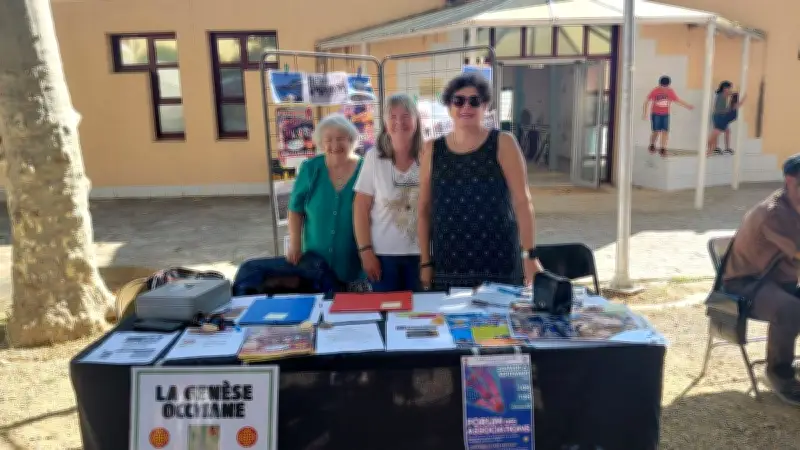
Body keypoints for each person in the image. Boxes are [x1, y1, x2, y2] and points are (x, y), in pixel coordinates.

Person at [417, 73, 543, 291]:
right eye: (458, 100)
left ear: (485, 106)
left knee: (500, 324)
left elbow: (523, 202)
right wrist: (425, 261)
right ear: (449, 106)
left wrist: (529, 255)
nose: (466, 106)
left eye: (474, 101)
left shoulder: (503, 143)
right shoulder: (432, 149)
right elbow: (424, 209)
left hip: (499, 261)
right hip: (449, 264)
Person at [723, 154, 800, 406]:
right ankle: (779, 374)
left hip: (776, 281)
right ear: (790, 181)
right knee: (790, 309)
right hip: (745, 285)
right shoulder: (775, 213)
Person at [353, 94, 423, 292]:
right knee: (386, 314)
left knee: (420, 315)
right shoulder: (374, 157)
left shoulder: (428, 155)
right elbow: (360, 207)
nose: (399, 122)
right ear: (385, 123)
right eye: (392, 116)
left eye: (406, 115)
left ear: (417, 120)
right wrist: (365, 251)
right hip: (382, 256)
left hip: (422, 255)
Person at [286, 113, 364, 288]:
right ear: (321, 143)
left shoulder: (365, 169)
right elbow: (295, 209)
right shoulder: (311, 169)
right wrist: (295, 243)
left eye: (341, 138)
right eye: (328, 140)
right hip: (315, 264)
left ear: (351, 140)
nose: (334, 145)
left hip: (354, 263)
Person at [642, 75, 693, 157]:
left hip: (665, 114)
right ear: (659, 84)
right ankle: (652, 145)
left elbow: (677, 100)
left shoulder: (670, 91)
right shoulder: (655, 91)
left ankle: (663, 148)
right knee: (656, 131)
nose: (664, 88)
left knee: (665, 132)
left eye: (666, 86)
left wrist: (687, 105)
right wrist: (645, 113)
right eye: (662, 86)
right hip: (656, 114)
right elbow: (646, 101)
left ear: (668, 85)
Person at [708, 80, 746, 156]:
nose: (730, 90)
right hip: (720, 117)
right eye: (729, 88)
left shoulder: (719, 94)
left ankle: (720, 148)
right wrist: (743, 95)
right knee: (715, 134)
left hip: (719, 116)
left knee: (725, 131)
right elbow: (736, 100)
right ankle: (710, 150)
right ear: (725, 88)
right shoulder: (723, 94)